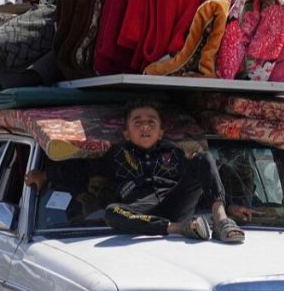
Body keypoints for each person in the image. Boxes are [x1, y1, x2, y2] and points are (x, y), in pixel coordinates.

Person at [26, 100, 245, 242]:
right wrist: (45, 175)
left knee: (205, 158)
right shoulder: (115, 155)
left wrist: (230, 205)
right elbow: (81, 171)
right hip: (138, 214)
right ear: (126, 133)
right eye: (137, 123)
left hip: (175, 204)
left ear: (161, 133)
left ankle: (222, 220)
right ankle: (181, 229)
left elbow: (203, 179)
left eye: (151, 123)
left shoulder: (175, 153)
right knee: (112, 212)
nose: (145, 127)